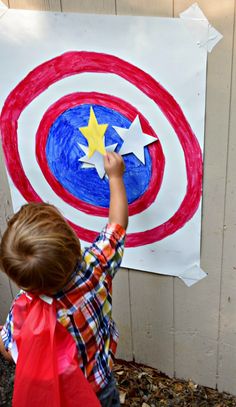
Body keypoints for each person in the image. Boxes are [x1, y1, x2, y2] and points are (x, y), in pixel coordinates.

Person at [0, 151, 128, 407]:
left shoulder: (25, 309)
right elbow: (117, 224)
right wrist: (115, 178)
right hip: (101, 389)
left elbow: (12, 351)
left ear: (22, 283)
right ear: (72, 240)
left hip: (62, 397)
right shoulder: (95, 266)